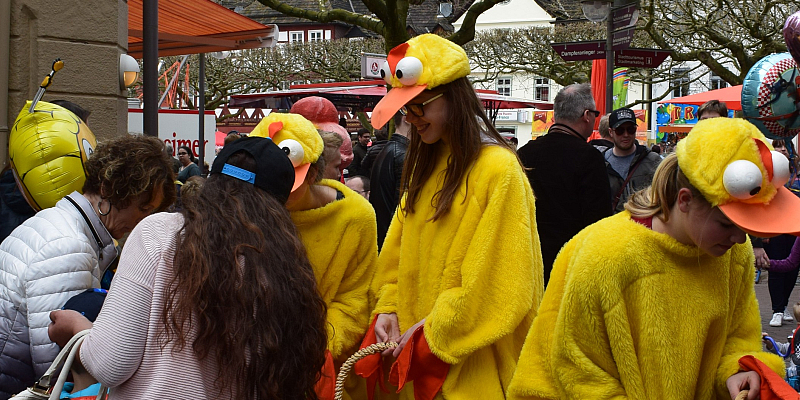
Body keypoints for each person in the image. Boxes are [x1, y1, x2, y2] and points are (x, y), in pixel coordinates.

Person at [508, 117, 800, 400]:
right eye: (727, 224)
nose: (740, 238)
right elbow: (575, 370)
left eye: (747, 227)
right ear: (684, 200)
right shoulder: (604, 254)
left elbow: (739, 334)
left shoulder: (734, 254)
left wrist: (737, 370)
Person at [47, 136, 328, 399]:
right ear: (279, 204)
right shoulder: (286, 268)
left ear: (211, 182)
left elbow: (109, 364)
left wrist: (77, 326)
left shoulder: (157, 235)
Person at [366, 33, 543, 399]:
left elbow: (503, 286)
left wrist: (434, 332)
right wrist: (389, 308)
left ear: (453, 99)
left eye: (419, 106)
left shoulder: (499, 170)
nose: (411, 118)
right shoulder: (426, 166)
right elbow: (394, 256)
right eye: (405, 109)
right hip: (418, 364)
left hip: (473, 373)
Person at [0, 135, 176, 398]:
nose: (143, 220)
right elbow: (60, 360)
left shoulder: (57, 222)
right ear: (108, 189)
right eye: (143, 207)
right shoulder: (71, 246)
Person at [249, 113, 377, 400]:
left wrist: (311, 350)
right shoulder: (249, 210)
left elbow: (356, 300)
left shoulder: (356, 217)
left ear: (315, 171)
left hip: (324, 372)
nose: (281, 191)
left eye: (292, 181)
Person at [517, 84, 612, 284]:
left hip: (529, 263)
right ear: (587, 115)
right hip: (571, 265)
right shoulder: (589, 158)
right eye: (595, 114)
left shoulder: (526, 152)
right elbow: (598, 220)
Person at [603, 107, 662, 213]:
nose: (626, 135)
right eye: (620, 130)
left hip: (643, 225)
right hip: (611, 226)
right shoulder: (601, 162)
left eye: (630, 129)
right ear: (611, 132)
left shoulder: (653, 161)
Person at [369, 114, 411, 250]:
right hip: (393, 244)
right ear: (407, 119)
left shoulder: (390, 150)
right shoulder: (403, 155)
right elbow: (402, 211)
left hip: (383, 239)